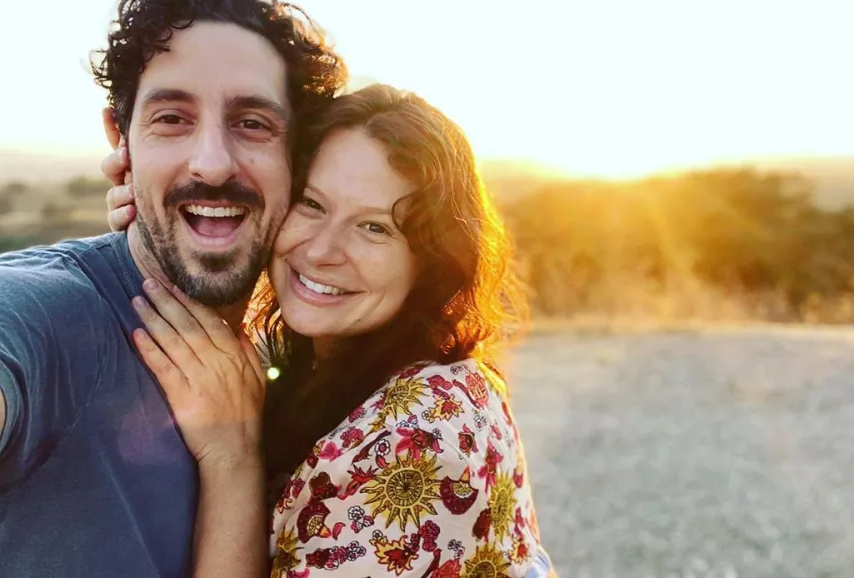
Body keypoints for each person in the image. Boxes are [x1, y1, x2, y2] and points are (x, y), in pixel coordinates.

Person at [106, 84, 555, 576]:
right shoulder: (334, 371)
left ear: (430, 261)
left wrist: (232, 461)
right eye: (312, 205)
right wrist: (162, 221)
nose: (322, 251)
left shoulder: (416, 445)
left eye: (375, 228)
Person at [0, 0, 345, 576]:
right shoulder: (41, 317)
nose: (212, 164)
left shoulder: (283, 365)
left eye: (253, 123)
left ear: (299, 160)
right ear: (121, 141)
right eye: (171, 119)